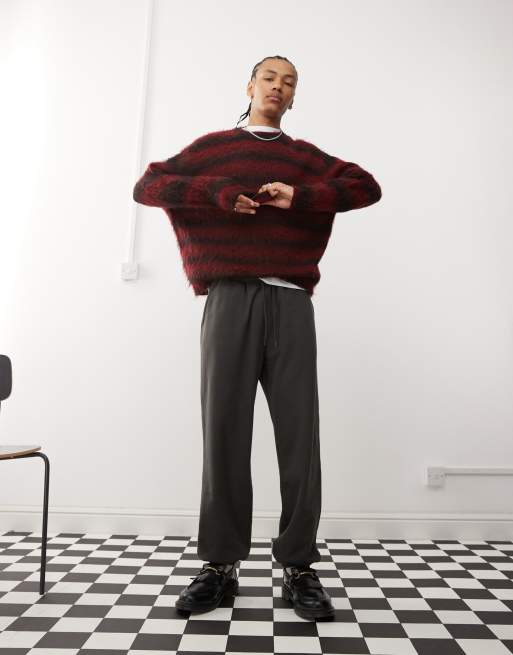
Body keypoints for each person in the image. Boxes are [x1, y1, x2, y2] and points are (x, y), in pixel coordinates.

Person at [133, 55, 382, 621]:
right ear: (249, 86)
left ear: (294, 98)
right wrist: (219, 193)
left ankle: (299, 565)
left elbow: (365, 187)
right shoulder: (215, 147)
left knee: (300, 437)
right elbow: (149, 185)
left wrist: (301, 197)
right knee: (223, 430)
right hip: (228, 298)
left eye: (289, 82)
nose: (278, 86)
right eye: (269, 77)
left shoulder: (305, 159)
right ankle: (219, 565)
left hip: (290, 301)